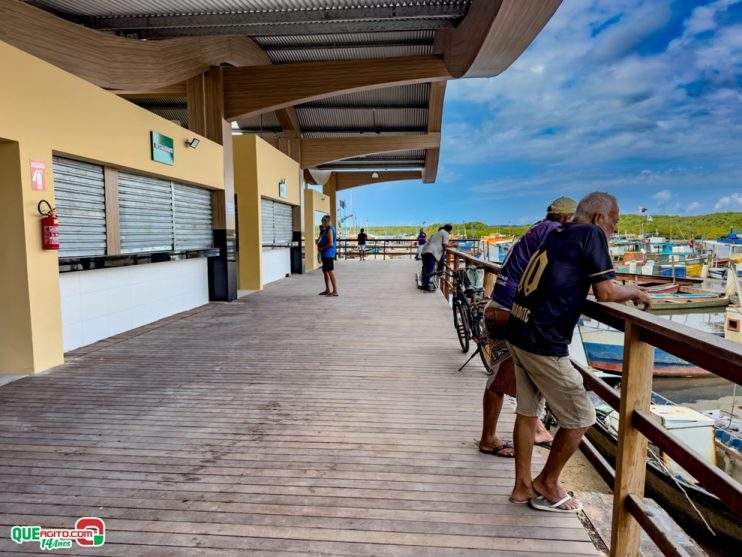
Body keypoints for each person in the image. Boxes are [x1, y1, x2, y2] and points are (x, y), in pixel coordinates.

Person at [507, 192, 651, 512]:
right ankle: (546, 482)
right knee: (581, 417)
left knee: (528, 410)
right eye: (614, 221)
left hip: (518, 329)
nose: (614, 228)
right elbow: (607, 292)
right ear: (599, 219)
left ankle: (521, 487)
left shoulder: (557, 232)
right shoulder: (591, 234)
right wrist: (637, 293)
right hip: (543, 341)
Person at [478, 197, 577, 458]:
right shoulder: (553, 233)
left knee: (501, 375)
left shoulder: (537, 228)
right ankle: (498, 436)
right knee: (502, 378)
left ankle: (528, 428)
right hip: (510, 311)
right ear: (566, 219)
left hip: (500, 306)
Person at [421, 224, 453, 291]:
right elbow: (445, 245)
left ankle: (425, 283)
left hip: (426, 251)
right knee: (429, 269)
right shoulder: (445, 233)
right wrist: (454, 245)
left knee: (426, 268)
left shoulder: (437, 233)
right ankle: (427, 285)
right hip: (432, 252)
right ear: (449, 230)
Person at [317, 215, 338, 296]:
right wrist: (320, 243)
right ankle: (328, 289)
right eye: (322, 221)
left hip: (328, 254)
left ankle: (335, 290)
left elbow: (330, 243)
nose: (322, 223)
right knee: (325, 271)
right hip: (325, 254)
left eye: (324, 221)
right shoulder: (326, 230)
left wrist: (321, 248)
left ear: (327, 221)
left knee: (330, 271)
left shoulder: (330, 230)